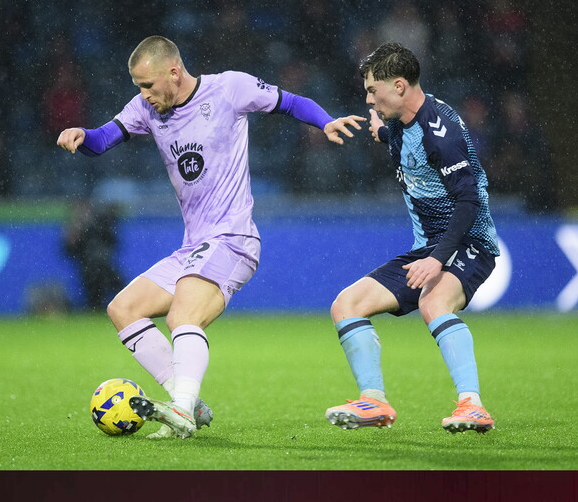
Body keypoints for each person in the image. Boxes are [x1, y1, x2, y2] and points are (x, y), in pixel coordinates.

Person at [56, 35, 365, 439]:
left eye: (148, 85)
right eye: (137, 87)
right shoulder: (145, 109)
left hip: (233, 238)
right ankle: (187, 402)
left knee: (182, 315)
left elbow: (289, 102)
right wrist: (80, 133)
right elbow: (103, 139)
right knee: (123, 309)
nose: (143, 95)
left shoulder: (229, 88)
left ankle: (180, 409)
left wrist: (325, 121)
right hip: (194, 246)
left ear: (173, 71)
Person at [325, 42, 501, 434]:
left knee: (433, 300)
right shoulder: (402, 126)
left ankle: (473, 405)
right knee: (346, 305)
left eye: (373, 90)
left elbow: (469, 200)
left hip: (467, 242)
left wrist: (438, 259)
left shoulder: (441, 131)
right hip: (428, 247)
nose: (368, 98)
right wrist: (384, 133)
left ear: (400, 85)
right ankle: (374, 401)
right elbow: (405, 141)